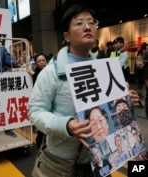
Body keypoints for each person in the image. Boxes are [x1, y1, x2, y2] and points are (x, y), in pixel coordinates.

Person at [28, 3, 140, 177]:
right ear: (66, 36)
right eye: (79, 23)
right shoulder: (53, 72)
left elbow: (110, 112)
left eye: (91, 22)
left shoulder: (106, 69)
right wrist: (66, 125)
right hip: (62, 164)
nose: (87, 27)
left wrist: (125, 101)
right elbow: (35, 111)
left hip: (103, 159)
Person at [26, 53, 47, 148]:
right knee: (42, 123)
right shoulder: (35, 73)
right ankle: (40, 142)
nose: (42, 62)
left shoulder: (49, 70)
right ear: (36, 63)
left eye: (43, 60)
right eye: (39, 61)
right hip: (40, 102)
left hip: (49, 101)